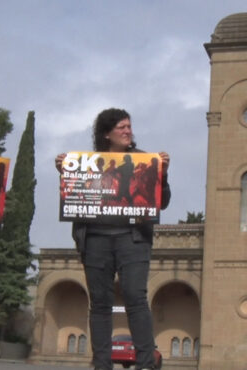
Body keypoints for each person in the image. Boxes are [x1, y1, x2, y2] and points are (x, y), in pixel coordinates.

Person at [55, 108, 171, 370]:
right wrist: (65, 173)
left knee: (135, 297)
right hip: (96, 238)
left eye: (129, 126)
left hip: (133, 238)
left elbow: (161, 202)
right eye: (121, 127)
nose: (128, 131)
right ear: (106, 134)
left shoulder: (146, 160)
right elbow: (76, 197)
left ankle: (145, 363)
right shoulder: (87, 163)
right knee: (100, 304)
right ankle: (101, 364)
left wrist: (162, 176)